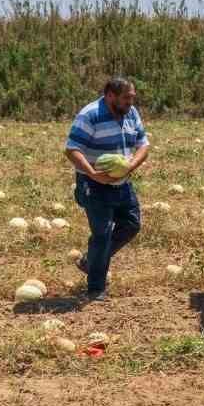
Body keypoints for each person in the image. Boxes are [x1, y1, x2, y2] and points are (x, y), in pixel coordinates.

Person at [64, 76, 150, 301]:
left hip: (122, 183)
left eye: (132, 98)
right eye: (126, 98)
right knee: (102, 234)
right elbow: (72, 149)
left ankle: (90, 262)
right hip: (94, 185)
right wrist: (92, 173)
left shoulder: (131, 113)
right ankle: (95, 287)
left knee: (131, 225)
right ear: (110, 95)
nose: (130, 103)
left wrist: (131, 164)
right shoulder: (90, 115)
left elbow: (143, 144)